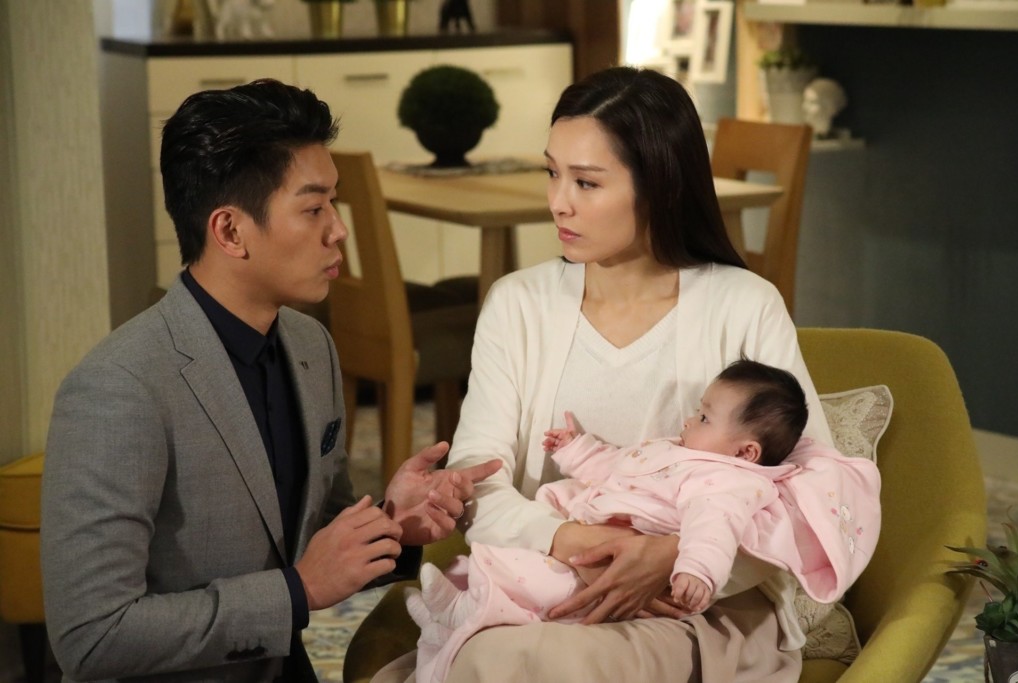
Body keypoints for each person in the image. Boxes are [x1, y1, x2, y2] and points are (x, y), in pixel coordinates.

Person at [372, 65, 858, 683]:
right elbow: (480, 484)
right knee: (506, 658)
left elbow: (817, 492)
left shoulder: (744, 304)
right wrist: (572, 542)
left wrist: (672, 559)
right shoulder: (517, 304)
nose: (558, 201)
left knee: (512, 663)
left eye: (586, 182)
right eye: (552, 173)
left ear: (659, 186)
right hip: (541, 588)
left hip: (695, 607)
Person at [40, 79, 500, 682]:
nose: (338, 230)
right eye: (313, 209)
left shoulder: (310, 345)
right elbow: (92, 637)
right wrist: (297, 591)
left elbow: (311, 532)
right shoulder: (118, 389)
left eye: (334, 203)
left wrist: (392, 523)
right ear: (230, 231)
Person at [403, 360, 880, 683]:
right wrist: (575, 448)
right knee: (504, 565)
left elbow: (713, 531)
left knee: (544, 587)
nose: (689, 422)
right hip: (585, 535)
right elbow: (618, 466)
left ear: (746, 452)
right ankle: (456, 611)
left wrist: (693, 570)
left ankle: (468, 610)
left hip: (627, 568)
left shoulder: (726, 483)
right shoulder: (676, 452)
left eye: (705, 418)